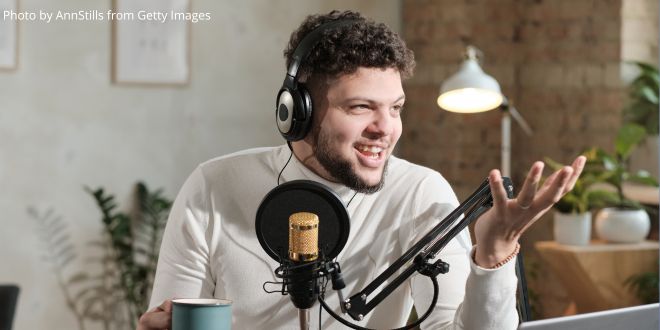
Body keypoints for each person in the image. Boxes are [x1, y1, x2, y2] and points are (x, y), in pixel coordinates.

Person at [138, 10, 584, 330]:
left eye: (395, 108)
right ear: (298, 113)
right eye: (361, 107)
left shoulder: (421, 193)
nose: (385, 129)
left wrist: (493, 254)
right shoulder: (214, 188)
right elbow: (170, 317)